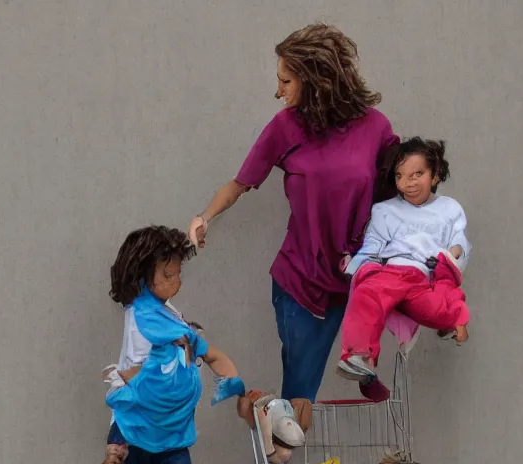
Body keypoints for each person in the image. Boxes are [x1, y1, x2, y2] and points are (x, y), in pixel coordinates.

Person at [187, 24, 399, 402]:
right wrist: (206, 217)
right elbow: (239, 184)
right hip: (301, 280)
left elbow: (399, 187)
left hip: (358, 276)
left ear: (315, 79)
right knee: (300, 394)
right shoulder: (285, 127)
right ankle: (278, 457)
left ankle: (362, 375)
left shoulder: (375, 127)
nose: (278, 91)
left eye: (285, 81)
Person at [102, 226, 245, 464]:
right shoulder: (141, 316)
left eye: (178, 274)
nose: (175, 282)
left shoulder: (171, 317)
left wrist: (234, 386)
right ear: (143, 277)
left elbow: (203, 354)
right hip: (135, 438)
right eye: (167, 274)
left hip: (173, 441)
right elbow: (138, 378)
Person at [336, 138, 471, 383]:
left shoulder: (449, 209)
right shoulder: (385, 210)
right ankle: (358, 355)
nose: (408, 184)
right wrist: (356, 267)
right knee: (368, 294)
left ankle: (454, 321)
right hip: (394, 272)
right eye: (400, 176)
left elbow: (459, 241)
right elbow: (373, 244)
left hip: (427, 276)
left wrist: (456, 252)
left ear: (435, 174)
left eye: (417, 174)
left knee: (441, 306)